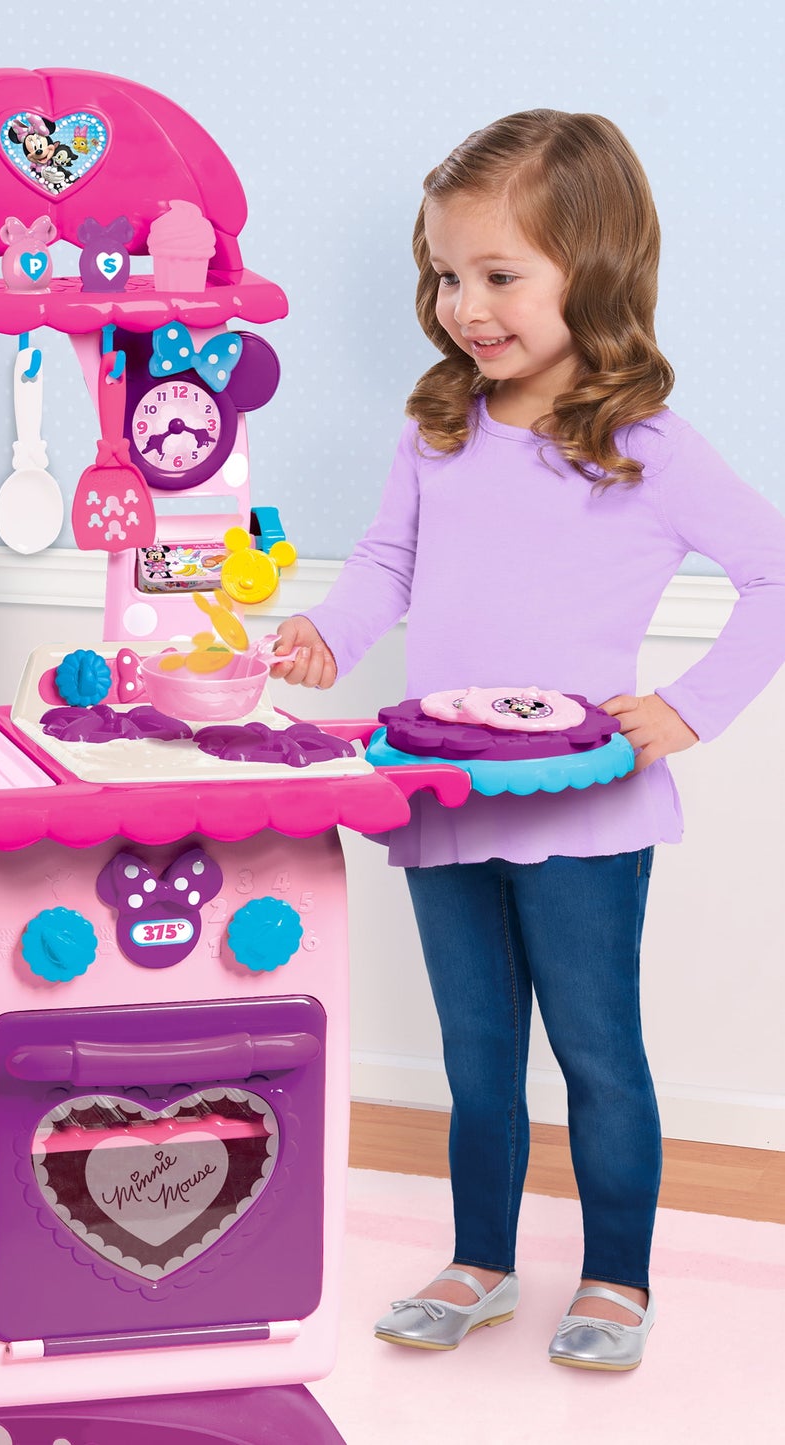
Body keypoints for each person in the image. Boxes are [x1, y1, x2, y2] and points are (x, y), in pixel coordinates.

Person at [271, 109, 785, 1371]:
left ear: (591, 269)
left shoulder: (643, 446)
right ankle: (479, 1259)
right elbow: (386, 562)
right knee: (476, 1051)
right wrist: (325, 633)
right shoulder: (437, 428)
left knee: (597, 1050)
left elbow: (772, 572)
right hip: (444, 793)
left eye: (498, 274)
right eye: (446, 274)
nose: (465, 306)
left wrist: (690, 706)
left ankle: (615, 1274)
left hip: (583, 807)